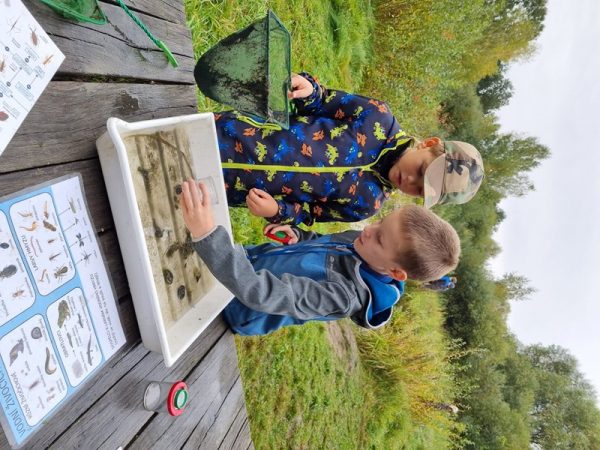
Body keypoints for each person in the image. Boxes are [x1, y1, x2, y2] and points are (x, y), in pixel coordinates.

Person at [179, 179, 461, 336]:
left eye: (380, 238)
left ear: (396, 272)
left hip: (232, 308)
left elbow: (261, 294)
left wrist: (208, 236)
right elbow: (325, 244)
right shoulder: (363, 243)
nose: (369, 230)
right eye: (380, 222)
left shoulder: (343, 297)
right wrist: (299, 237)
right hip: (236, 267)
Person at [207, 72, 485, 225]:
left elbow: (308, 213)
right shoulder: (377, 116)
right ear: (429, 144)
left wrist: (277, 211)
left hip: (230, 187)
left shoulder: (366, 204)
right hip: (232, 134)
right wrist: (309, 90)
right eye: (422, 171)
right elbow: (323, 101)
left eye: (420, 189)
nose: (410, 181)